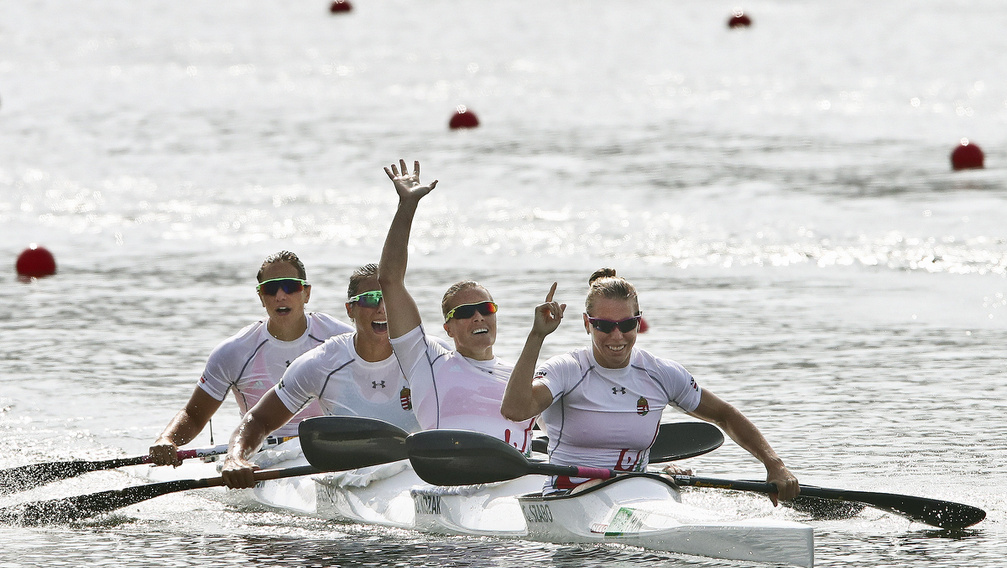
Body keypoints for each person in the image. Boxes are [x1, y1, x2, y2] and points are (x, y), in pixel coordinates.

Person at [501, 269, 800, 503]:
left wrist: (775, 465)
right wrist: (537, 336)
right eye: (604, 325)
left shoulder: (661, 373)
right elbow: (515, 410)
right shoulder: (568, 369)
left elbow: (725, 415)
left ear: (638, 322)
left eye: (627, 325)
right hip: (568, 498)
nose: (617, 336)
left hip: (637, 495)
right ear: (587, 323)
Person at [377, 159, 536, 453]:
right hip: (450, 478)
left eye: (485, 309)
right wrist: (407, 206)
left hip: (514, 484)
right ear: (447, 328)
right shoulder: (427, 362)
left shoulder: (521, 378)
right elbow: (390, 281)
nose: (478, 317)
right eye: (464, 313)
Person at [220, 263, 424, 488]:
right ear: (350, 310)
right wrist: (235, 457)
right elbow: (259, 420)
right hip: (351, 475)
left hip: (414, 470)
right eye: (370, 299)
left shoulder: (428, 357)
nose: (382, 308)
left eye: (390, 298)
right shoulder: (323, 362)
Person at [149, 251, 353, 466]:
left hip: (328, 451)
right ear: (261, 297)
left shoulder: (340, 339)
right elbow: (194, 415)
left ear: (306, 293)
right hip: (263, 455)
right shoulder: (235, 351)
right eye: (271, 289)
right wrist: (167, 439)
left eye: (290, 286)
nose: (280, 296)